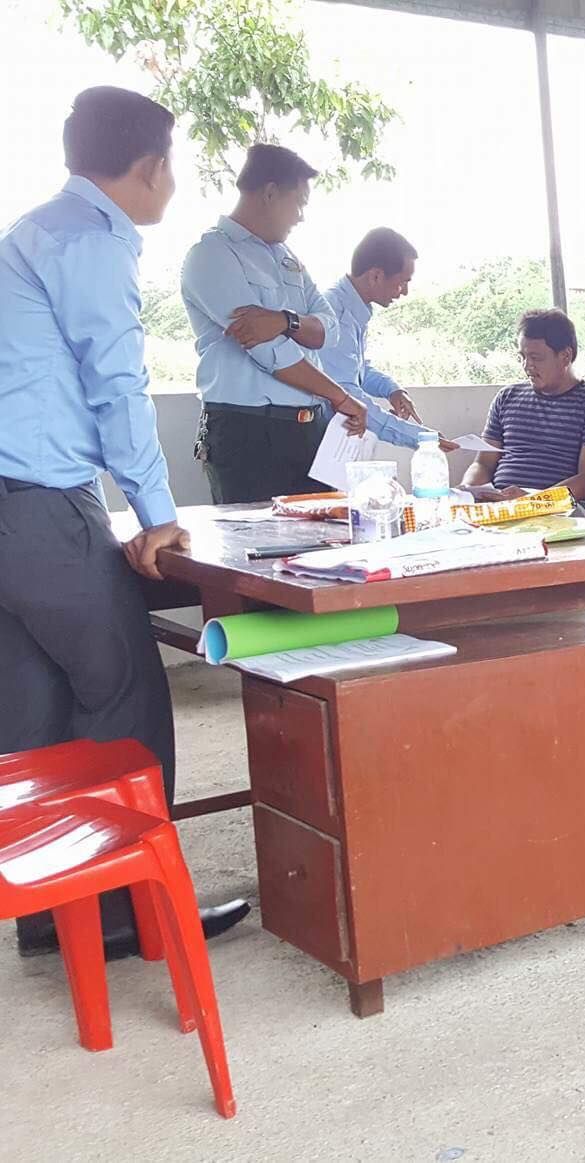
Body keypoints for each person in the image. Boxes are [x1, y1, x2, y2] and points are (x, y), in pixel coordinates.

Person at [2, 87, 249, 960]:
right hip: (41, 505)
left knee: (34, 704)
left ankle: (51, 907)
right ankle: (138, 908)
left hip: (10, 511)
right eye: (171, 167)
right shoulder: (94, 241)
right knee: (127, 694)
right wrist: (157, 514)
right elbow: (116, 384)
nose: (172, 183)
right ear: (147, 167)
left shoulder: (30, 232)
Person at [181, 143, 367, 502]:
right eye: (299, 203)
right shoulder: (211, 255)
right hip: (248, 431)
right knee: (252, 536)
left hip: (309, 429)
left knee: (319, 533)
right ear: (270, 193)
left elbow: (329, 330)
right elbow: (269, 351)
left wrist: (285, 321)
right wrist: (339, 396)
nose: (300, 217)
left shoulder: (288, 259)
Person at [460, 310, 585, 509]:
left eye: (536, 358)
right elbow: (483, 464)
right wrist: (468, 491)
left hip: (560, 509)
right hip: (500, 505)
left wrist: (533, 502)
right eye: (522, 357)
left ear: (565, 356)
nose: (527, 366)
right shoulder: (507, 397)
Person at [323, 227, 449, 451]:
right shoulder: (335, 314)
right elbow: (347, 394)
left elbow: (356, 370)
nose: (405, 292)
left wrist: (391, 389)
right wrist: (421, 438)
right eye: (402, 282)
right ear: (376, 276)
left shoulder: (353, 310)